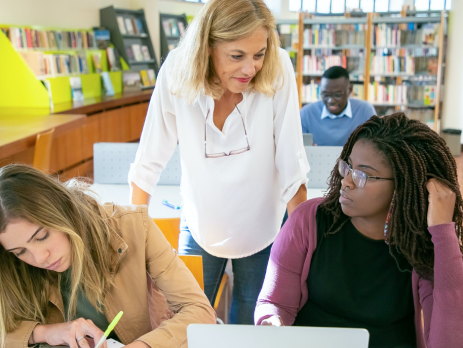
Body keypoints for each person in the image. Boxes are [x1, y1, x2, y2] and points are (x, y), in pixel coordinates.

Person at [128, 0, 309, 324]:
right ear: (207, 48)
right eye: (237, 56)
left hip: (262, 227)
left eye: (258, 54)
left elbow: (291, 163)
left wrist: (304, 252)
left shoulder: (278, 67)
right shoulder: (176, 71)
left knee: (249, 327)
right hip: (200, 224)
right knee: (186, 324)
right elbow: (147, 161)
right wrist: (134, 241)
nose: (250, 68)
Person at [255, 113, 463, 348]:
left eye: (362, 174)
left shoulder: (421, 243)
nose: (347, 181)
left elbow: (449, 343)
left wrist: (444, 232)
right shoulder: (308, 220)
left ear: (403, 185)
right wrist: (271, 321)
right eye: (348, 167)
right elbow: (275, 303)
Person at [0, 164, 215, 348]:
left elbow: (199, 311)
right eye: (20, 252)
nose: (39, 258)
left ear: (61, 209)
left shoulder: (133, 227)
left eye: (42, 236)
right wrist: (47, 332)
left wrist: (142, 346)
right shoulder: (10, 264)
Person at [300, 66, 376, 146]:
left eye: (337, 95)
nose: (331, 101)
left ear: (350, 90)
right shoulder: (306, 113)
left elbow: (377, 146)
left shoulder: (365, 110)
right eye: (325, 95)